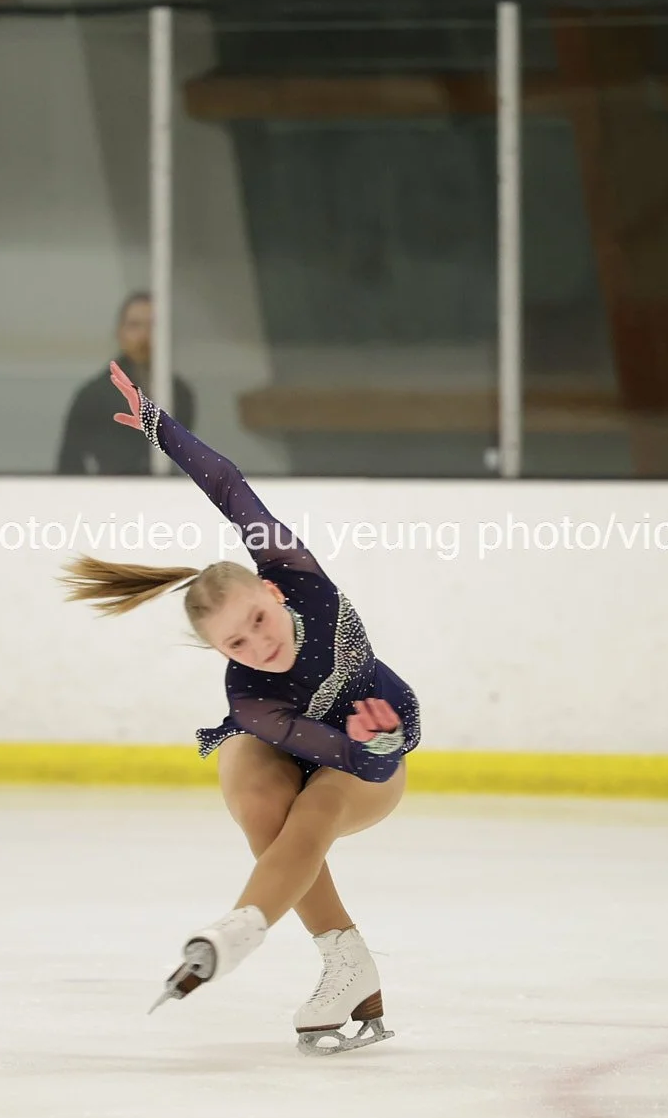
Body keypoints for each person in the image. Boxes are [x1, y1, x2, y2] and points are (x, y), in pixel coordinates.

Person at [59, 361, 420, 1056]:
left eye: (257, 619)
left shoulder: (296, 572)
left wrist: (159, 426)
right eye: (236, 643)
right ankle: (343, 960)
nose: (260, 644)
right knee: (261, 802)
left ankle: (243, 929)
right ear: (219, 651)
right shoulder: (248, 698)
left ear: (271, 590)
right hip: (303, 744)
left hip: (369, 750)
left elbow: (228, 487)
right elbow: (298, 746)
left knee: (315, 809)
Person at [56, 292, 196, 475]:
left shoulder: (179, 393)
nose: (144, 335)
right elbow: (69, 462)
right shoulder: (93, 396)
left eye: (153, 326)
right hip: (111, 487)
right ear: (119, 333)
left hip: (163, 489)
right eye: (134, 325)